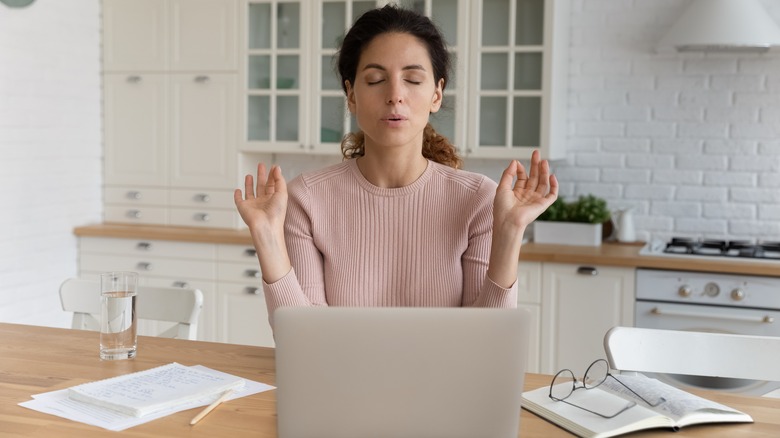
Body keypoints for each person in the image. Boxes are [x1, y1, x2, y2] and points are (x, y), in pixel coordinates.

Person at [234, 5, 558, 327]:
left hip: (445, 379)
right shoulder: (307, 199)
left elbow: (488, 343)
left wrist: (511, 231)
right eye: (375, 80)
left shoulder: (478, 200)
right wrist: (266, 235)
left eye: (413, 79)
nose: (395, 95)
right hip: (343, 379)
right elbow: (303, 339)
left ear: (437, 94)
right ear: (351, 95)